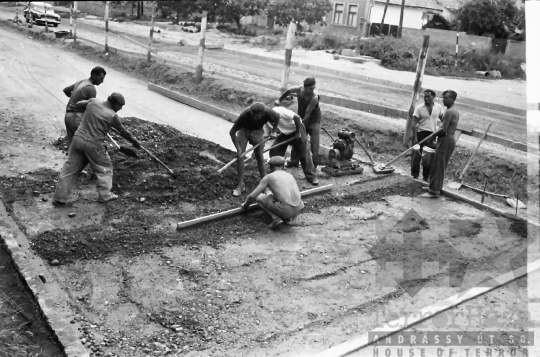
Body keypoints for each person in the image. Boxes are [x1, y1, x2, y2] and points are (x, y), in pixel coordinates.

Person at [53, 93, 141, 206]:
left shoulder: (93, 102)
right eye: (120, 106)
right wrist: (134, 142)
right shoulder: (112, 116)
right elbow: (124, 132)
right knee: (104, 168)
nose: (121, 108)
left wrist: (88, 112)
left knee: (70, 169)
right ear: (114, 103)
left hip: (78, 139)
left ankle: (60, 197)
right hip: (94, 145)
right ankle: (105, 195)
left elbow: (79, 104)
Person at [229, 102, 280, 197]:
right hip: (243, 131)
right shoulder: (245, 115)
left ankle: (265, 186)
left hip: (258, 132)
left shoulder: (269, 112)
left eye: (256, 116)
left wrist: (273, 131)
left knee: (260, 158)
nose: (254, 117)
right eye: (252, 115)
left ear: (263, 114)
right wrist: (238, 149)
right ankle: (240, 185)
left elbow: (277, 117)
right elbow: (232, 132)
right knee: (241, 157)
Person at [242, 156, 304, 229]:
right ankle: (288, 219)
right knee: (275, 196)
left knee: (259, 197)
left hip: (285, 209)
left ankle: (275, 218)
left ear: (270, 166)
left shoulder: (269, 177)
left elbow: (252, 196)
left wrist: (245, 205)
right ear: (283, 166)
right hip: (299, 207)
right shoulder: (289, 175)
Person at [275, 77, 322, 168]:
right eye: (311, 88)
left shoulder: (314, 97)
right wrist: (279, 100)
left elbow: (308, 114)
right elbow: (288, 91)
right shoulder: (299, 90)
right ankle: (294, 161)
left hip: (314, 120)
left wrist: (302, 128)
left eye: (313, 88)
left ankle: (314, 164)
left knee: (314, 143)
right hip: (302, 117)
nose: (313, 90)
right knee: (297, 139)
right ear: (304, 87)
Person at [421, 90, 460, 198]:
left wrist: (432, 135)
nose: (444, 100)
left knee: (438, 165)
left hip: (446, 139)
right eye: (443, 97)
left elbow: (443, 129)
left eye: (446, 98)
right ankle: (433, 186)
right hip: (446, 138)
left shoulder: (450, 112)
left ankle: (434, 192)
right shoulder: (452, 111)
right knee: (436, 164)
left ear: (452, 99)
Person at [267, 105, 319, 185]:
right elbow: (270, 129)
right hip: (285, 132)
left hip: (297, 128)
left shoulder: (280, 111)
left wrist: (298, 132)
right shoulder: (266, 117)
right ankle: (277, 173)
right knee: (275, 149)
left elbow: (297, 117)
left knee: (304, 152)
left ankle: (312, 177)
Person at [63, 66, 107, 148]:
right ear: (94, 75)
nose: (102, 81)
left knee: (73, 148)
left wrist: (76, 99)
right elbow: (91, 108)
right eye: (101, 78)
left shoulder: (81, 82)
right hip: (77, 118)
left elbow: (66, 90)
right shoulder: (90, 88)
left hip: (68, 116)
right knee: (86, 146)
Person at [411, 89, 444, 181]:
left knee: (428, 156)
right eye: (425, 96)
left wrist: (438, 131)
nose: (426, 98)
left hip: (431, 135)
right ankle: (415, 174)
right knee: (417, 155)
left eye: (428, 96)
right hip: (420, 133)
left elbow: (443, 119)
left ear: (433, 97)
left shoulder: (438, 107)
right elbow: (414, 124)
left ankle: (425, 176)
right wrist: (415, 138)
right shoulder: (419, 108)